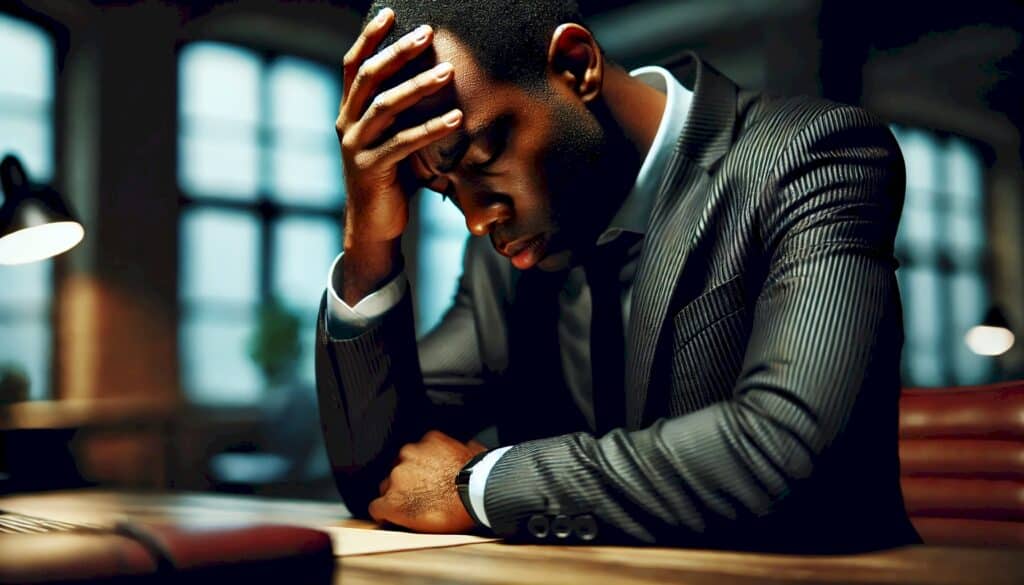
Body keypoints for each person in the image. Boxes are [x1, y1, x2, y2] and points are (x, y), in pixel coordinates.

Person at [315, 0, 921, 552]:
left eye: (481, 160)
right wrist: (368, 244)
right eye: (444, 192)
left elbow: (788, 448)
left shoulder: (810, 156)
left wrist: (483, 484)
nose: (477, 220)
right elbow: (391, 480)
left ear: (576, 67)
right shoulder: (510, 254)